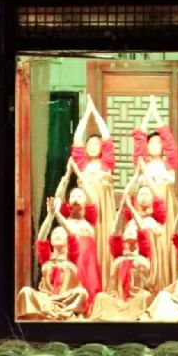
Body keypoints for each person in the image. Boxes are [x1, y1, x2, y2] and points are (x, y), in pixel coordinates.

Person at [70, 96, 118, 281]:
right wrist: (86, 115)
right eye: (89, 143)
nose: (92, 146)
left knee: (104, 240)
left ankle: (105, 280)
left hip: (104, 211)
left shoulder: (107, 164)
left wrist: (96, 114)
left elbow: (106, 137)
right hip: (86, 211)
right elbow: (77, 138)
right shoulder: (82, 164)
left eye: (96, 144)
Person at [15, 212, 90, 320]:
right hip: (46, 299)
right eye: (54, 234)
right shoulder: (46, 258)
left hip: (66, 299)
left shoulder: (71, 257)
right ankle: (47, 312)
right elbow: (41, 239)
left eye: (61, 233)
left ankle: (59, 312)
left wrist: (58, 215)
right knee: (25, 291)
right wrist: (50, 215)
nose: (58, 235)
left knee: (82, 293)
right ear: (50, 240)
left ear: (67, 240)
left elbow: (72, 236)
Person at [88, 221, 156, 320]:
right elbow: (115, 235)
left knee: (145, 297)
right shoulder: (119, 259)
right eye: (127, 241)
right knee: (100, 297)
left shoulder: (142, 260)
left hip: (136, 297)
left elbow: (145, 284)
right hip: (117, 297)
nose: (130, 244)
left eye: (133, 241)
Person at [119, 179, 174, 295]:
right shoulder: (131, 222)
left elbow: (159, 197)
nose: (143, 197)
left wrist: (146, 176)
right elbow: (126, 195)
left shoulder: (154, 222)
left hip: (152, 261)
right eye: (141, 194)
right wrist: (135, 176)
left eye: (147, 194)